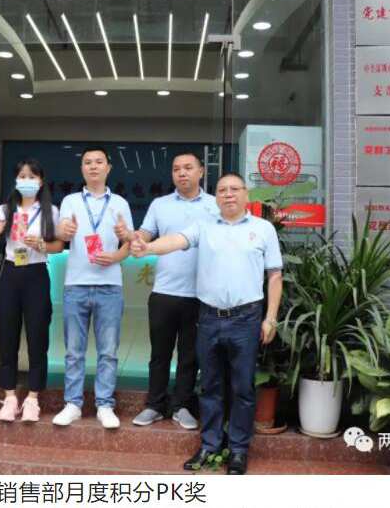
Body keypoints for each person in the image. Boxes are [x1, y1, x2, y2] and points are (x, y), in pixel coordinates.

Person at [130, 172, 282, 475]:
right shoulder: (204, 226)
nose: (228, 194)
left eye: (234, 189)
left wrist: (271, 318)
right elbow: (175, 240)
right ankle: (210, 446)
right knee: (210, 386)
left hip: (246, 319)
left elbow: (274, 275)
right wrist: (147, 248)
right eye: (222, 190)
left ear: (246, 194)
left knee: (242, 388)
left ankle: (238, 450)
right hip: (209, 318)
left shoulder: (263, 229)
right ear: (216, 197)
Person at [114, 152, 217, 430]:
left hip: (201, 294)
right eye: (176, 169)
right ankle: (155, 405)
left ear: (201, 171)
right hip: (164, 292)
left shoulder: (215, 205)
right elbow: (145, 236)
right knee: (159, 354)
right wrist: (130, 236)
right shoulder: (160, 204)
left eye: (188, 168)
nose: (181, 173)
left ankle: (182, 407)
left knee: (190, 356)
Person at [52, 146, 133, 429]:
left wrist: (117, 254)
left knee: (108, 351)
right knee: (74, 351)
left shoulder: (120, 203)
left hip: (110, 285)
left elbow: (129, 243)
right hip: (76, 285)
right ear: (82, 169)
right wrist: (64, 231)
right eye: (88, 162)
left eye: (99, 162)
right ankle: (73, 404)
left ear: (108, 168)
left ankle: (105, 405)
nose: (93, 166)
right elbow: (61, 232)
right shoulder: (71, 201)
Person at [0, 159, 64, 422]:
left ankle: (33, 398)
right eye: (22, 176)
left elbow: (59, 245)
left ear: (41, 181)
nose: (27, 181)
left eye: (32, 176)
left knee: (37, 336)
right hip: (11, 273)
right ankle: (10, 397)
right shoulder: (6, 208)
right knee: (7, 335)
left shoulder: (51, 210)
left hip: (37, 274)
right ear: (16, 180)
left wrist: (41, 244)